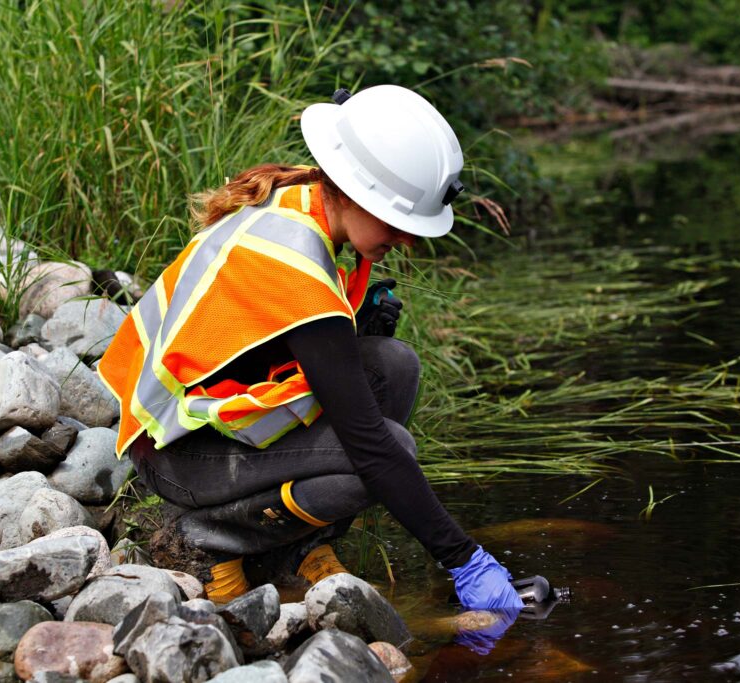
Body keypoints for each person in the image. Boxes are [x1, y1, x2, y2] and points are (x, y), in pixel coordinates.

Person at [97, 84, 523, 612]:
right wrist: (463, 558)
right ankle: (207, 538)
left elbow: (266, 350)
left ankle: (300, 546)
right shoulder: (294, 263)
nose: (408, 241)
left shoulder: (300, 197)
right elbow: (369, 443)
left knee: (393, 366)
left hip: (206, 422)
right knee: (387, 452)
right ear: (354, 190)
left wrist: (359, 327)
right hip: (175, 453)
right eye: (399, 223)